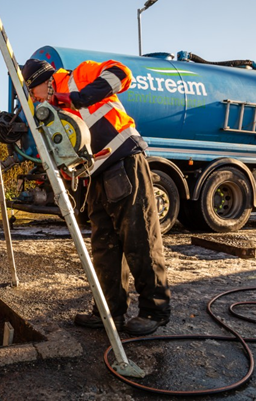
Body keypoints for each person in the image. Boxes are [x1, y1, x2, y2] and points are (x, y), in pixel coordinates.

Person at [21, 58, 171, 336]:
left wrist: (76, 98)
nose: (32, 98)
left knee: (139, 237)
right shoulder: (49, 109)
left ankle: (155, 310)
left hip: (124, 158)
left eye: (32, 91)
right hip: (95, 175)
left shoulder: (80, 75)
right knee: (104, 246)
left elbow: (121, 74)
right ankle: (110, 311)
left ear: (43, 82)